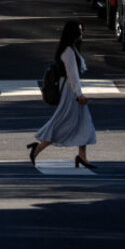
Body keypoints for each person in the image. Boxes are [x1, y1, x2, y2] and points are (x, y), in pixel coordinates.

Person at [28, 20, 97, 168]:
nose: (82, 33)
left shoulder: (72, 50)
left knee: (84, 122)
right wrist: (79, 95)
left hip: (72, 90)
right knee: (63, 123)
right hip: (70, 92)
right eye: (79, 30)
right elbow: (73, 76)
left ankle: (82, 156)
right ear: (72, 33)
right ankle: (37, 149)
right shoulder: (68, 52)